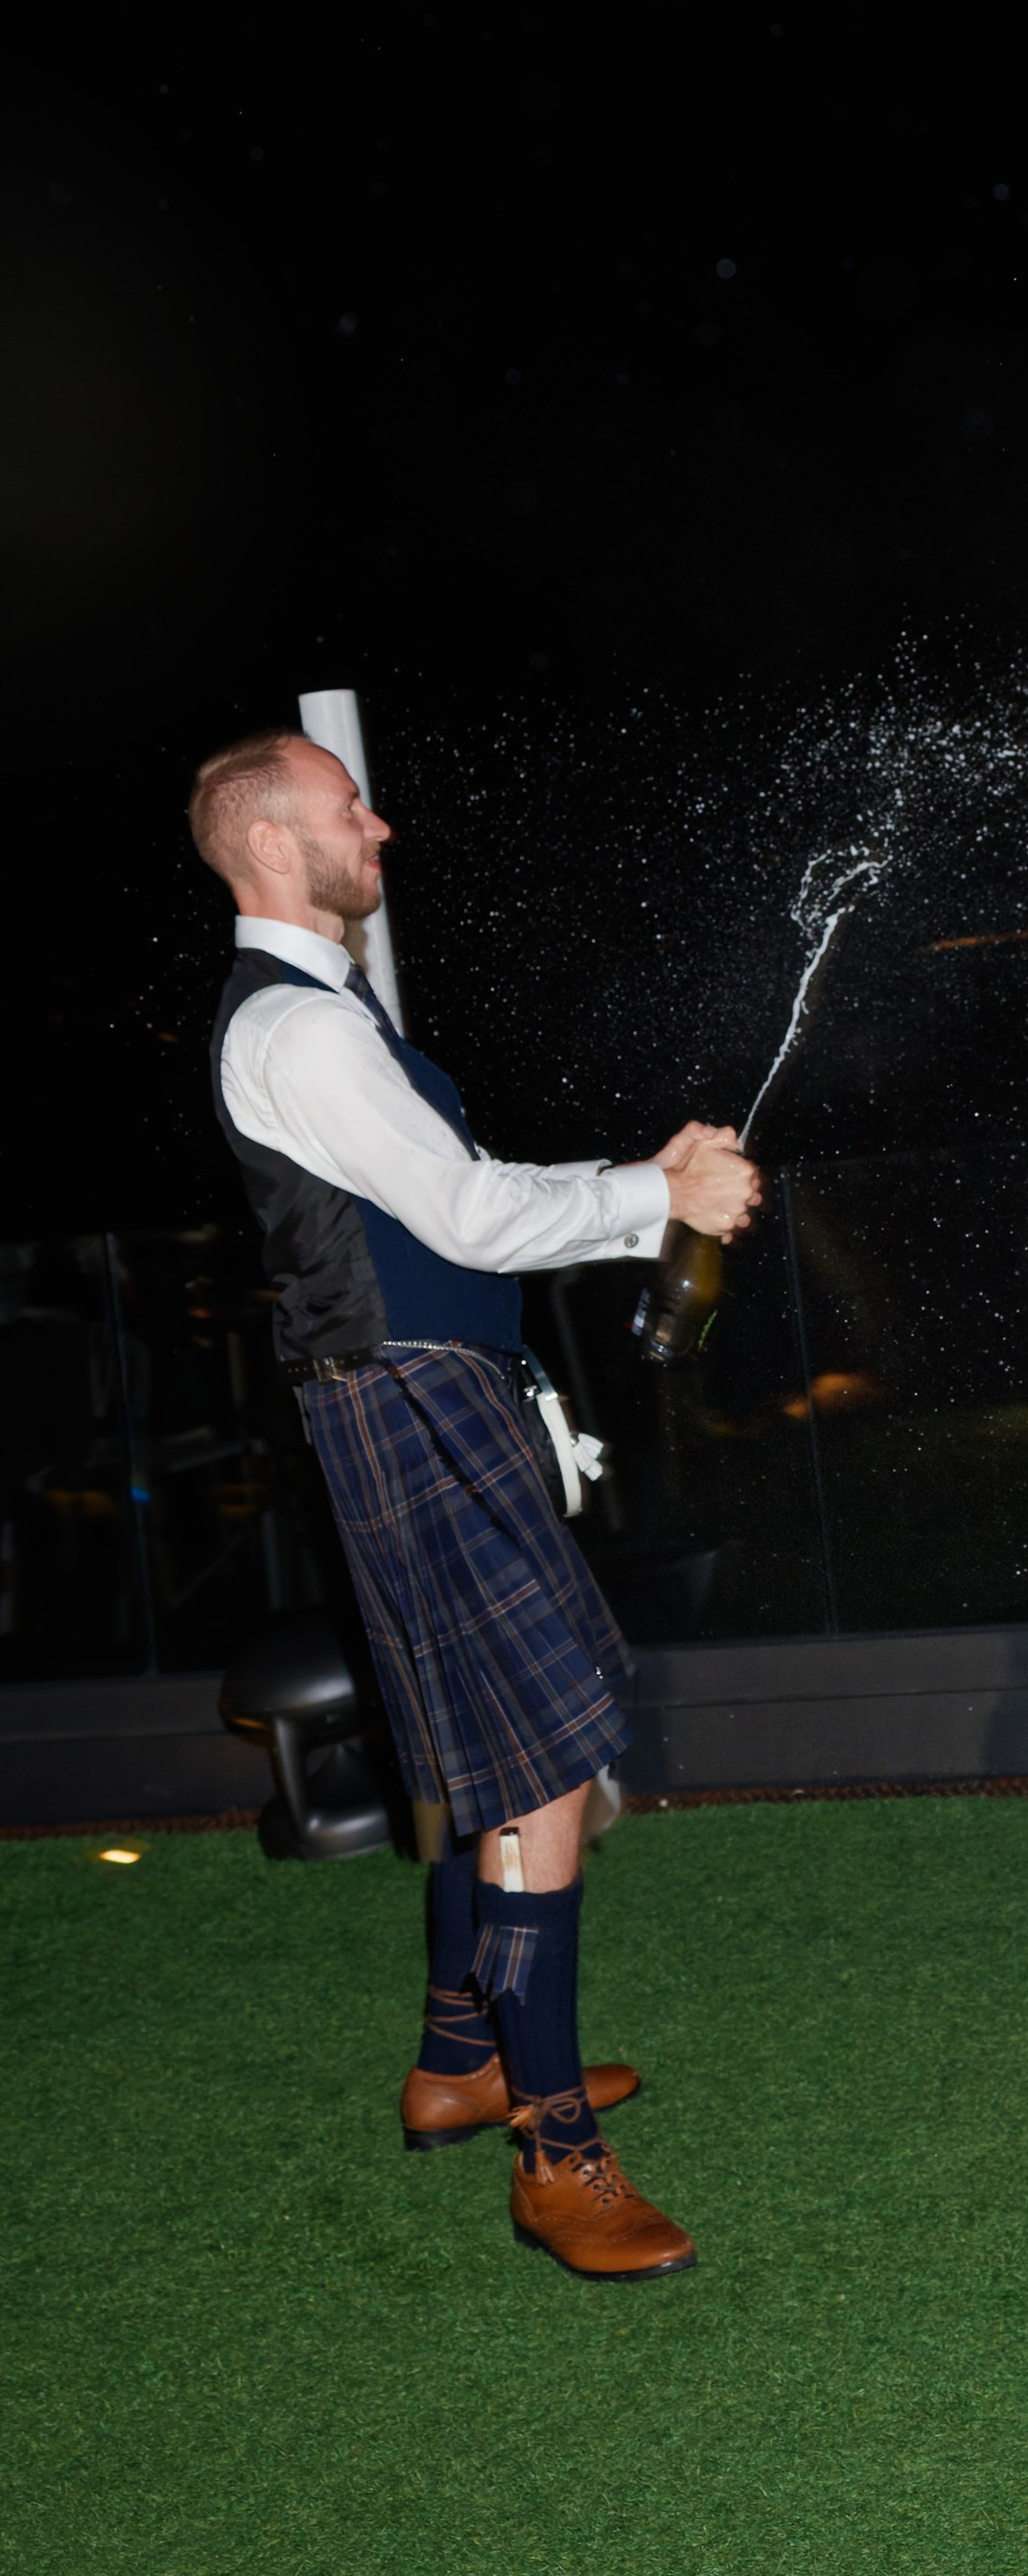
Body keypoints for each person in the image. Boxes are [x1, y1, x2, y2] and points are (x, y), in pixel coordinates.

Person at [187, 726, 761, 2281]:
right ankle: (557, 2155)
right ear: (265, 846)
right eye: (343, 807)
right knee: (538, 1764)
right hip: (409, 1412)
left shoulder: (327, 1013)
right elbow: (468, 1214)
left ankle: (462, 2055)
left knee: (491, 1736)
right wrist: (659, 1200)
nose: (375, 822)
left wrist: (641, 1172)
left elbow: (457, 1183)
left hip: (427, 1406)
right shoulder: (298, 1035)